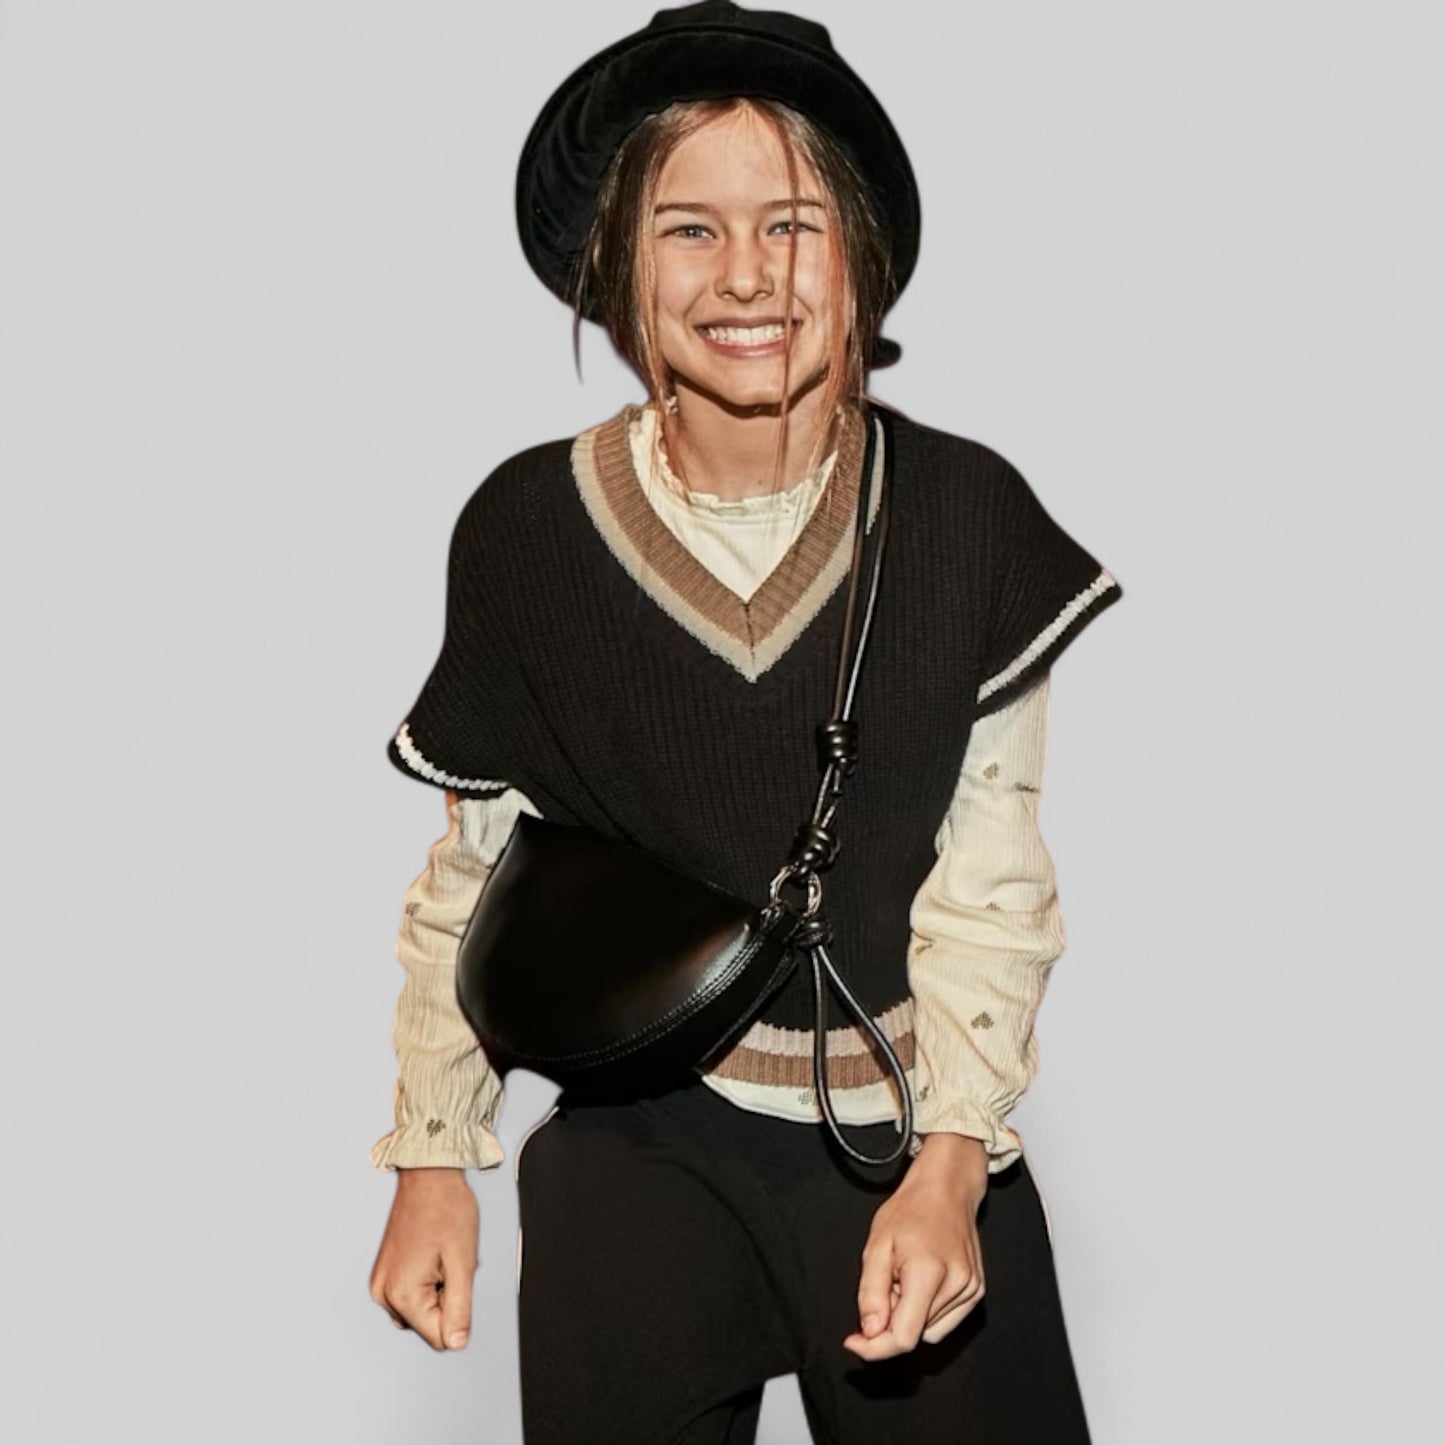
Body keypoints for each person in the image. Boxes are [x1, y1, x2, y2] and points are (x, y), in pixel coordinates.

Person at [368, 4, 1121, 1441]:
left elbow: (992, 882)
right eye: (688, 230)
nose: (746, 274)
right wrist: (432, 1154)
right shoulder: (527, 531)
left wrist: (952, 1166)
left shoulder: (963, 516)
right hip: (635, 1135)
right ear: (614, 267)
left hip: (906, 1135)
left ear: (860, 255)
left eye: (792, 224)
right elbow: (475, 873)